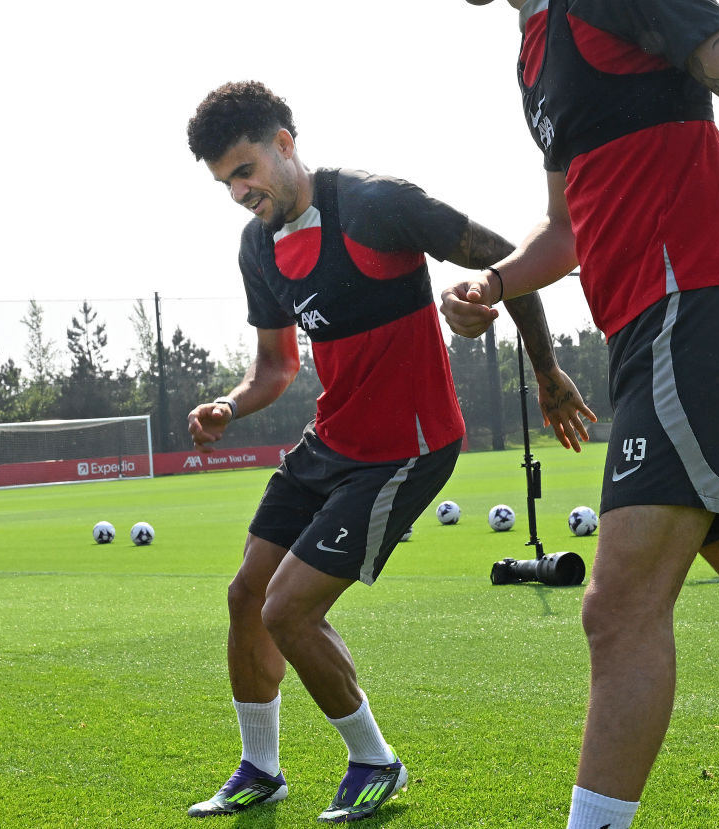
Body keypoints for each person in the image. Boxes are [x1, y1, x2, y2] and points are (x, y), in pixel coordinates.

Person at [184, 80, 595, 823]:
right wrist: (229, 403)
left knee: (289, 609)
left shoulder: (375, 204)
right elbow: (275, 366)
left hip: (408, 446)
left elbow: (504, 255)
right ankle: (261, 767)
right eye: (225, 183)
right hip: (331, 441)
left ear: (284, 144)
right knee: (247, 595)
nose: (239, 191)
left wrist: (545, 369)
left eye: (244, 170)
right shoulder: (258, 246)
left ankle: (376, 761)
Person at [448, 4, 719, 827]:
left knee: (617, 606)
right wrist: (495, 282)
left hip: (692, 311)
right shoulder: (534, 49)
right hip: (658, 328)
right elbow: (568, 227)